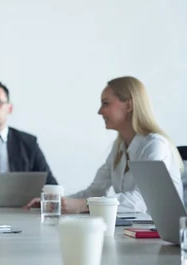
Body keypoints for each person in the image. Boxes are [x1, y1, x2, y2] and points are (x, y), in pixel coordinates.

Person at [24, 76, 184, 214]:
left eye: (106, 103)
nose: (100, 111)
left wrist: (84, 205)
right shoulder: (119, 149)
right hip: (134, 234)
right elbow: (94, 191)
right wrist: (56, 202)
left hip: (164, 240)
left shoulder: (155, 145)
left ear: (128, 105)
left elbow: (143, 201)